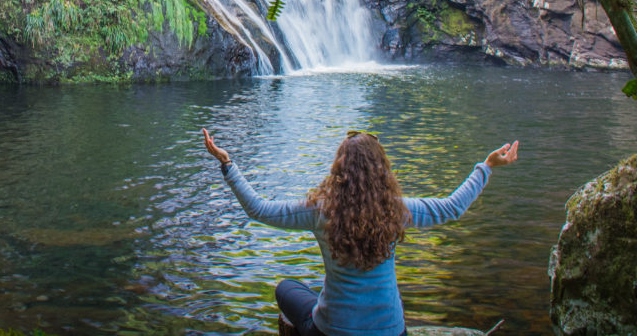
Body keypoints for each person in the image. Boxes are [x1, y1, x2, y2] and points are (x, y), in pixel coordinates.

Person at [201, 128, 519, 336]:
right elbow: (451, 207)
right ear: (381, 168)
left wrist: (228, 164)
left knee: (287, 288)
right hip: (392, 330)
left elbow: (259, 209)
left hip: (332, 331)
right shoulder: (396, 208)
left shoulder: (320, 210)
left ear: (338, 169)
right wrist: (486, 167)